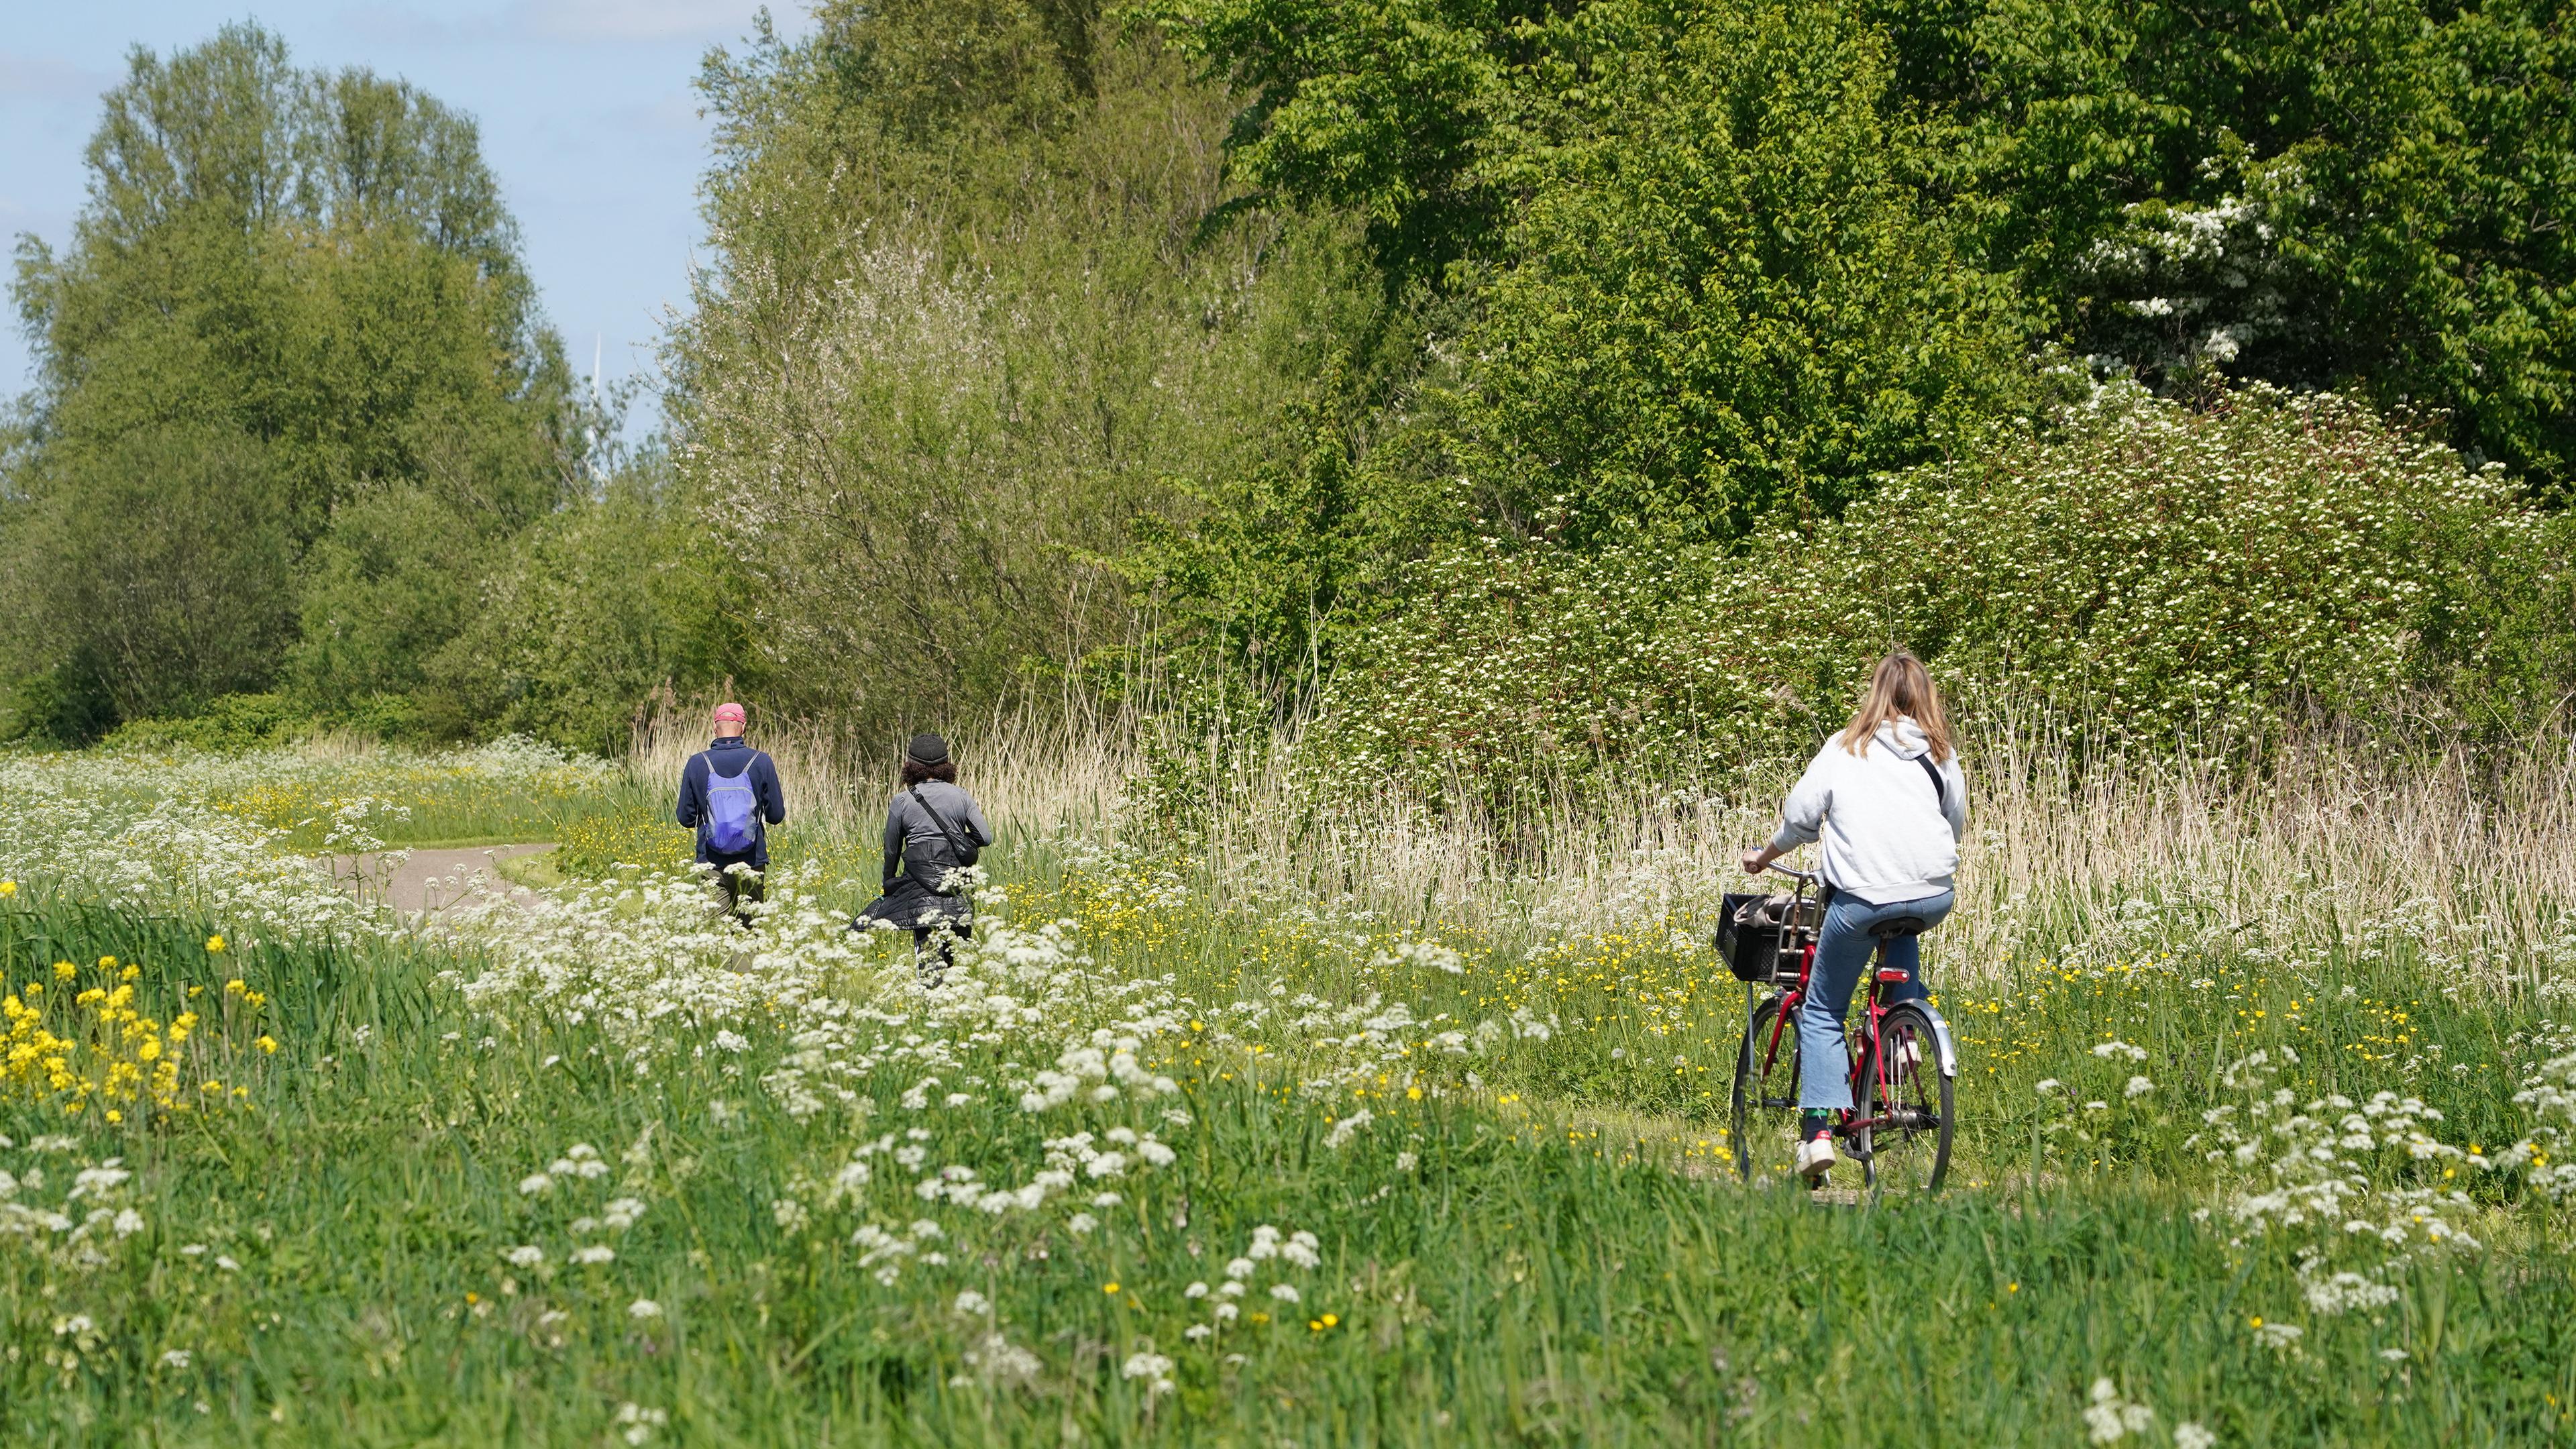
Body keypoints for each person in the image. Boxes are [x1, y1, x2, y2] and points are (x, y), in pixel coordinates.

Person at [1741, 651, 1968, 1184]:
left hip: (1862, 898)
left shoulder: (1846, 747)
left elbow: (1800, 818)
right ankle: (1904, 1034)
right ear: (1926, 697)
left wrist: (1764, 857)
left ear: (1875, 694)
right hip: (1933, 895)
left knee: (1822, 1010)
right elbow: (1953, 822)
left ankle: (1818, 1136)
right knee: (1902, 955)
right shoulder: (1941, 753)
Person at [852, 733, 992, 985]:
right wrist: (957, 840)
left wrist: (889, 883)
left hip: (919, 888)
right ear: (946, 765)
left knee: (927, 953)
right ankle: (950, 1005)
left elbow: (891, 850)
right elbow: (986, 836)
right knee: (952, 956)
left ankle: (930, 1004)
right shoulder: (961, 796)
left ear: (911, 766)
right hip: (956, 885)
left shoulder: (903, 801)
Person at [673, 702, 786, 926]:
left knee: (716, 938)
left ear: (715, 728)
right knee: (748, 933)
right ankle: (746, 962)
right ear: (743, 727)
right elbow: (776, 815)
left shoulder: (697, 763)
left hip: (711, 862)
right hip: (752, 861)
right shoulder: (761, 761)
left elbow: (685, 818)